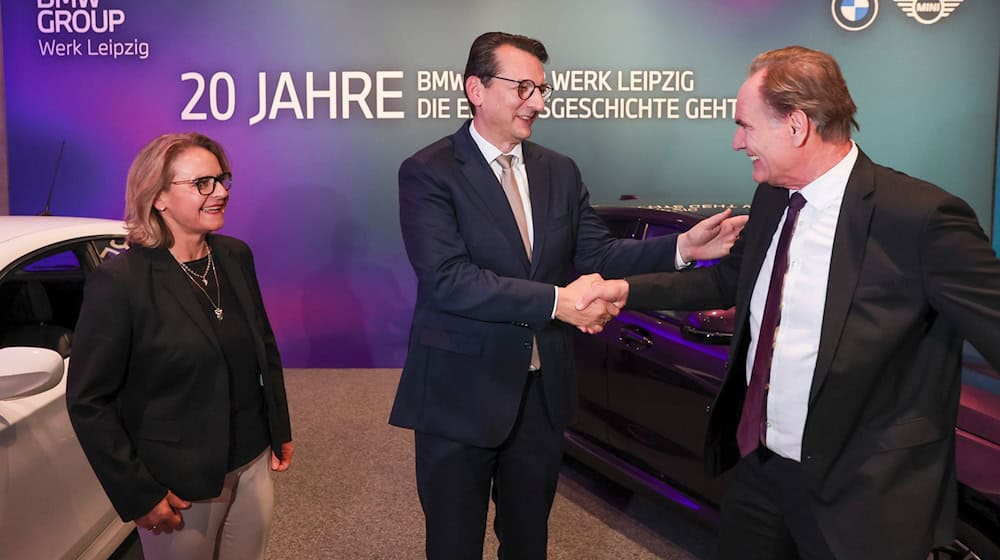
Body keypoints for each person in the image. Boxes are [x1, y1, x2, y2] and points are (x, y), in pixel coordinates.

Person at [579, 46, 1000, 559]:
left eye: (746, 127)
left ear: (797, 126)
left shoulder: (920, 218)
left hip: (864, 495)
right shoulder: (775, 195)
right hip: (760, 472)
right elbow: (729, 283)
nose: (737, 143)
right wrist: (626, 291)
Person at [389, 31, 747, 559]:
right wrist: (558, 302)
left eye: (542, 89)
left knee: (529, 540)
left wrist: (683, 247)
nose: (537, 102)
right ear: (476, 89)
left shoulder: (559, 170)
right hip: (460, 394)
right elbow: (448, 279)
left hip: (542, 394)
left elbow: (600, 255)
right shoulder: (428, 171)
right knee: (453, 544)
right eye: (523, 88)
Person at [66, 132, 294, 560]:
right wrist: (139, 495)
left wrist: (279, 430)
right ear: (158, 198)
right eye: (202, 183)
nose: (221, 192)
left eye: (223, 179)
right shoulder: (121, 283)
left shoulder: (234, 256)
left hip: (251, 463)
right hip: (179, 485)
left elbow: (264, 348)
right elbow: (88, 401)